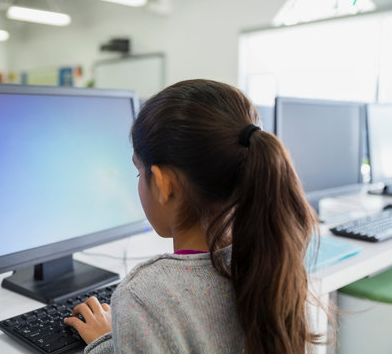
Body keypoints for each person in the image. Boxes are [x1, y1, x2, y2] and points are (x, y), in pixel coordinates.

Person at [64, 79, 323, 353]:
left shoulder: (144, 297)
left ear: (164, 184)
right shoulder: (276, 263)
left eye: (139, 172)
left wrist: (104, 342)